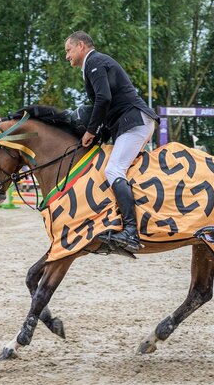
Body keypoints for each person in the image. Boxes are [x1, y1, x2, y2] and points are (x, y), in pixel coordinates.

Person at [64, 31, 158, 253]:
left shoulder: (94, 61)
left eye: (68, 50)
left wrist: (91, 130)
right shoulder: (95, 63)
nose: (67, 56)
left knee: (114, 169)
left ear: (80, 46)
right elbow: (106, 103)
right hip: (128, 123)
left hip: (135, 122)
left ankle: (131, 232)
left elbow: (103, 98)